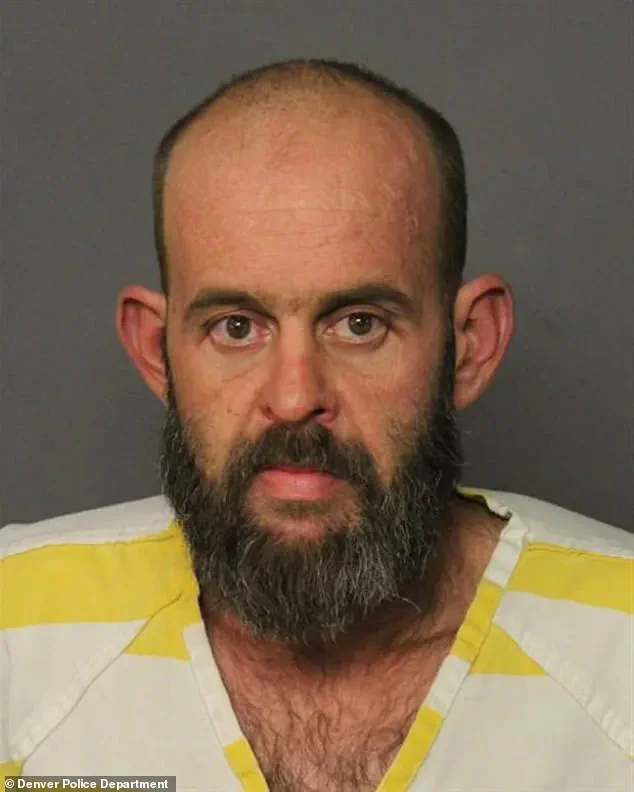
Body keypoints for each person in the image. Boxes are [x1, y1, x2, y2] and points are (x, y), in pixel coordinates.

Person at [1, 59, 631, 792]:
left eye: (360, 324)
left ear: (470, 345)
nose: (296, 397)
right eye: (236, 327)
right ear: (155, 350)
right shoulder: (13, 631)